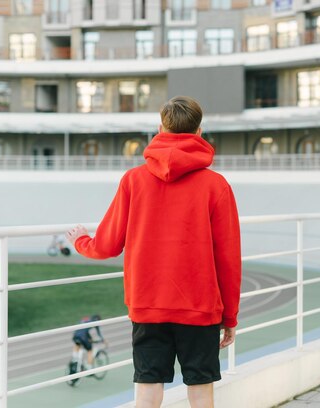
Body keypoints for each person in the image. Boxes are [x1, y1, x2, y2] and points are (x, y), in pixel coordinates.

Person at [66, 95, 241, 408]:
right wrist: (229, 316)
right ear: (199, 131)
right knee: (201, 390)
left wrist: (81, 241)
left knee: (147, 390)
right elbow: (228, 259)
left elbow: (106, 245)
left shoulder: (133, 180)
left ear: (160, 128)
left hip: (148, 304)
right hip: (200, 308)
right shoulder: (217, 186)